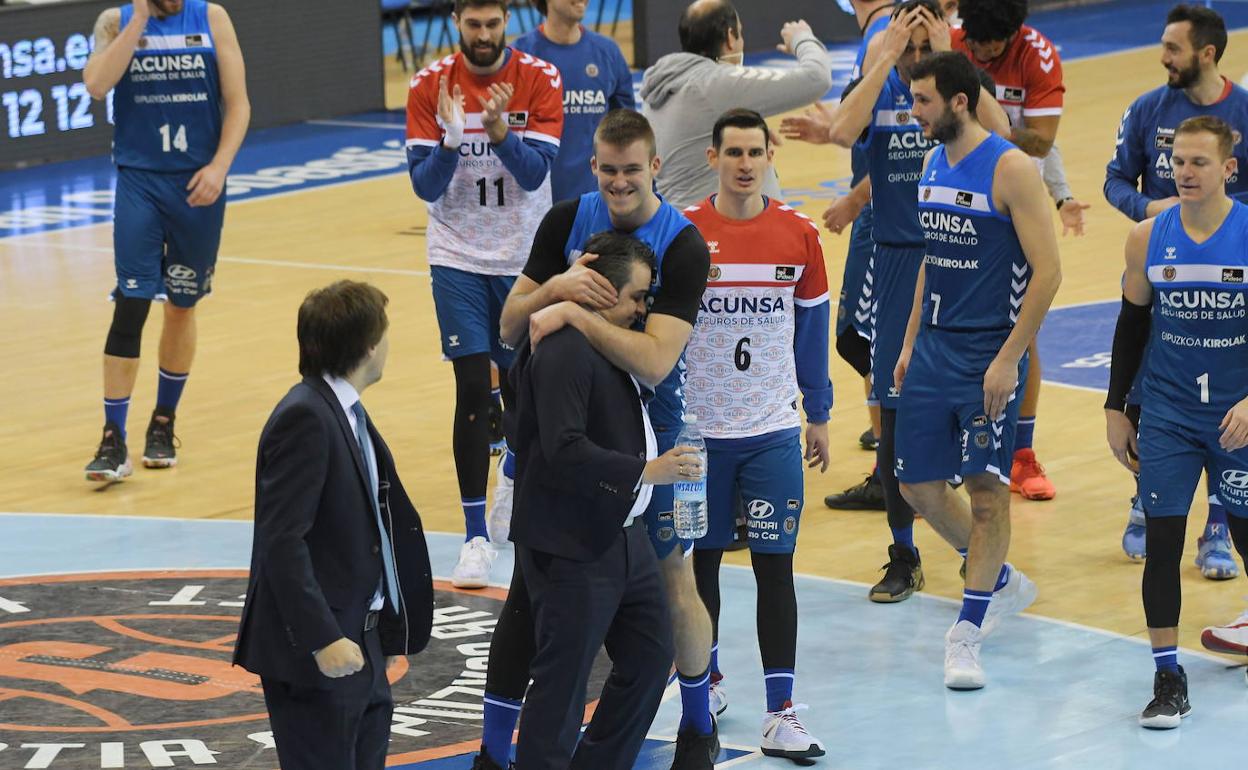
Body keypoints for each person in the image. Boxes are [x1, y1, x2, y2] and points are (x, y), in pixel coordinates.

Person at [473, 109, 715, 770]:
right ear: (593, 166)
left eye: (631, 170)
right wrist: (555, 288)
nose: (619, 182)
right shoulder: (565, 222)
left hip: (648, 450)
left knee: (669, 595)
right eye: (607, 170)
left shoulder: (683, 247)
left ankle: (698, 728)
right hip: (580, 460)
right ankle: (496, 753)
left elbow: (656, 361)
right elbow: (510, 326)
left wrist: (576, 315)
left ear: (656, 166)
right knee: (533, 614)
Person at [781, 0, 1009, 604]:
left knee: (963, 412)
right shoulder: (884, 84)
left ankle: (981, 547)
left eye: (924, 45)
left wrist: (951, 56)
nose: (916, 56)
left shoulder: (956, 90)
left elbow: (1005, 137)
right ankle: (904, 553)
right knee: (891, 412)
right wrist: (884, 58)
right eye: (908, 44)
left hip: (961, 258)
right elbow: (841, 131)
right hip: (896, 259)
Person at [892, 51, 1059, 690]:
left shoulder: (1012, 169)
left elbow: (1049, 273)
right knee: (917, 486)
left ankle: (967, 631)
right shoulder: (932, 162)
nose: (914, 111)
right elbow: (931, 261)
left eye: (924, 101)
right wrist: (910, 342)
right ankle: (998, 579)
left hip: (988, 352)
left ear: (959, 102)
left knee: (988, 493)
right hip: (933, 349)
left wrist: (1009, 358)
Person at [510, 231, 697, 769]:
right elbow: (562, 450)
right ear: (601, 291)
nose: (643, 309)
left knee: (651, 656)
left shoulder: (605, 340)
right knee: (562, 683)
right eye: (637, 296)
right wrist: (645, 472)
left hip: (622, 534)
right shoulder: (563, 351)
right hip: (572, 544)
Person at [233, 281, 435, 769]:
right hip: (318, 652)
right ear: (368, 347)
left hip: (361, 641)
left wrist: (383, 632)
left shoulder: (341, 412)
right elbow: (282, 542)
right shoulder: (305, 417)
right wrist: (322, 638)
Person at [683, 108, 831, 760]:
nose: (745, 163)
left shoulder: (799, 235)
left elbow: (812, 331)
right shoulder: (683, 235)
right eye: (733, 152)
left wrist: (819, 413)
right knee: (702, 564)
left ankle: (781, 713)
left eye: (755, 152)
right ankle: (705, 685)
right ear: (713, 157)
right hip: (699, 436)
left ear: (771, 156)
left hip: (771, 430)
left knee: (777, 569)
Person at [405, 0, 563, 588]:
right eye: (473, 25)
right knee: (473, 387)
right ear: (456, 23)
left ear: (506, 23)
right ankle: (474, 537)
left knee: (525, 387)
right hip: (457, 254)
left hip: (523, 258)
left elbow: (534, 175)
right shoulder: (429, 86)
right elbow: (425, 188)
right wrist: (449, 143)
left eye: (492, 24)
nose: (483, 35)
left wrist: (499, 134)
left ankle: (513, 479)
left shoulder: (539, 78)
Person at [1104, 115, 1248, 728]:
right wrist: (1116, 406)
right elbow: (1132, 324)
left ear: (1228, 169)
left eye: (1198, 163)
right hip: (1167, 413)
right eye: (1178, 162)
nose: (1184, 173)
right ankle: (1168, 675)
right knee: (1162, 543)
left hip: (1237, 416)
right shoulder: (1147, 237)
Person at [1104, 3, 1248, 575]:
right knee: (1155, 377)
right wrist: (1151, 209)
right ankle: (1150, 495)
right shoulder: (1147, 108)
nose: (1162, 57)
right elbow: (1115, 180)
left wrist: (1219, 221)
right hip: (1161, 261)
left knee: (1224, 395)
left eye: (1172, 47)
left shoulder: (1243, 110)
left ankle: (1218, 523)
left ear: (1206, 53)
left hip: (1228, 266)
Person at [82, 0, 249, 481]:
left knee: (180, 304)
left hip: (197, 183)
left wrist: (219, 167)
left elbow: (238, 103)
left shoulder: (212, 17)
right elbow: (96, 85)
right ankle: (113, 438)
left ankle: (163, 421)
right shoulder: (116, 21)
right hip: (140, 180)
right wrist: (137, 22)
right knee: (131, 301)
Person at [952, 0, 1090, 503]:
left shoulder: (1038, 55)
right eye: (976, 44)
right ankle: (946, 451)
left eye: (993, 46)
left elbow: (1042, 143)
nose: (983, 53)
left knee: (1021, 330)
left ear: (1014, 33)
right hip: (956, 198)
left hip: (1013, 206)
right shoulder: (954, 42)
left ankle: (1021, 452)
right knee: (943, 326)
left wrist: (997, 128)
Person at [639, 0, 833, 209]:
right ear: (730, 37)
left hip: (685, 218)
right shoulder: (714, 84)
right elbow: (817, 78)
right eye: (740, 33)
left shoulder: (663, 83)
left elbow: (696, 133)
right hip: (719, 224)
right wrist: (802, 39)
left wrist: (744, 128)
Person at [824, 0, 895, 511]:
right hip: (883, 211)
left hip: (886, 216)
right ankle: (892, 443)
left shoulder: (883, 38)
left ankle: (888, 468)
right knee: (870, 338)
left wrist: (856, 197)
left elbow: (907, 145)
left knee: (862, 337)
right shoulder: (881, 33)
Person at [514, 0, 635, 203]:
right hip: (536, 206)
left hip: (595, 205)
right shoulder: (520, 55)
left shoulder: (608, 53)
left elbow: (629, 134)